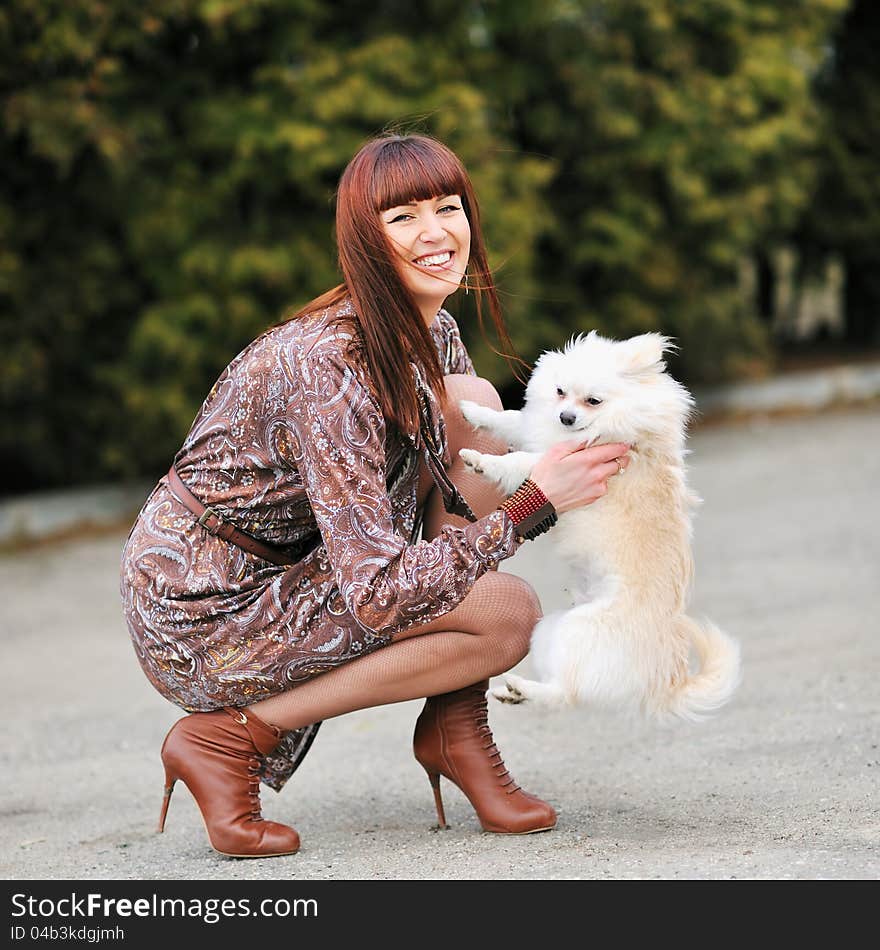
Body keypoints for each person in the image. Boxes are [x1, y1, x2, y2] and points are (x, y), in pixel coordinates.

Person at [120, 132, 631, 858]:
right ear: (364, 241)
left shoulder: (434, 331)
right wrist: (531, 503)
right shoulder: (326, 365)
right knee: (506, 613)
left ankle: (456, 727)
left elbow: (427, 513)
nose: (435, 233)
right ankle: (228, 741)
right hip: (207, 605)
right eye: (402, 218)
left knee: (471, 403)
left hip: (306, 570)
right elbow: (380, 592)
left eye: (447, 207)